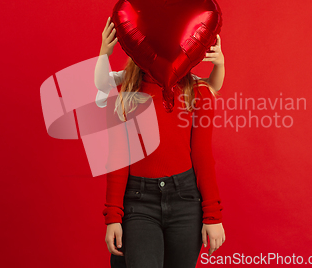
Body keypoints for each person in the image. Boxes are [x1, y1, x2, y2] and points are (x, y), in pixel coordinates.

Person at [97, 17, 226, 268]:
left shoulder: (196, 92)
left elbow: (202, 156)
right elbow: (118, 157)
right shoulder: (125, 93)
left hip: (185, 201)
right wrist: (113, 216)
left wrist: (213, 216)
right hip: (138, 202)